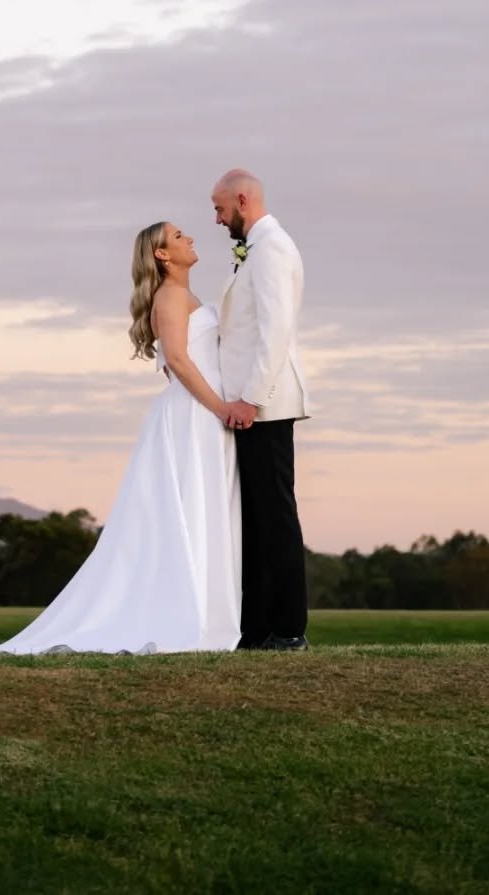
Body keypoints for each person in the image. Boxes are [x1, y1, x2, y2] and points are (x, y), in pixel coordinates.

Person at [0, 221, 242, 655]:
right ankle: (190, 615)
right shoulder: (171, 297)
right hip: (196, 412)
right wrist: (220, 407)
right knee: (191, 503)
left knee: (204, 505)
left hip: (203, 409)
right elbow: (176, 359)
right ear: (161, 255)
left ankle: (211, 610)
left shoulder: (184, 295)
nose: (190, 238)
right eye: (178, 237)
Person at [211, 167, 311, 651]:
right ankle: (255, 630)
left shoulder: (271, 249)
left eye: (220, 208)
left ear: (243, 199)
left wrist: (250, 398)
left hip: (264, 406)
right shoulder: (255, 250)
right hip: (249, 408)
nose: (216, 218)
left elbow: (275, 333)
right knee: (255, 520)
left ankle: (289, 629)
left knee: (275, 518)